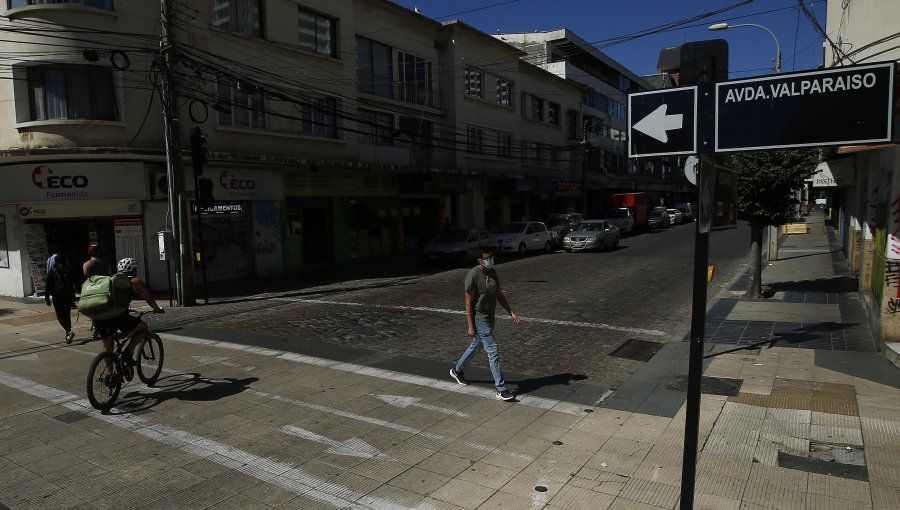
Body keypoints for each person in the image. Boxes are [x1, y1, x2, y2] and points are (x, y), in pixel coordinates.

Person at [450, 247, 520, 401]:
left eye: (492, 257)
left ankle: (457, 370)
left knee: (476, 346)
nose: (491, 260)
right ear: (479, 260)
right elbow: (468, 303)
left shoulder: (492, 272)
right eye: (487, 258)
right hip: (479, 319)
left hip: (490, 318)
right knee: (493, 350)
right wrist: (470, 325)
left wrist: (511, 312)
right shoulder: (473, 275)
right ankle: (501, 389)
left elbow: (499, 295)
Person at [94, 258, 163, 364]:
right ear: (133, 270)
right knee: (143, 327)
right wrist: (157, 309)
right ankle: (127, 352)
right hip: (117, 317)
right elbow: (148, 298)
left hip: (99, 317)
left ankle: (111, 376)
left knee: (108, 348)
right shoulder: (135, 281)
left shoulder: (109, 279)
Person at [45, 254, 77, 344]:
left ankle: (69, 331)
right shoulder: (69, 270)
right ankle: (68, 333)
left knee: (60, 316)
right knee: (67, 315)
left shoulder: (52, 271)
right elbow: (74, 283)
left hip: (57, 297)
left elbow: (48, 286)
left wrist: (47, 298)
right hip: (68, 296)